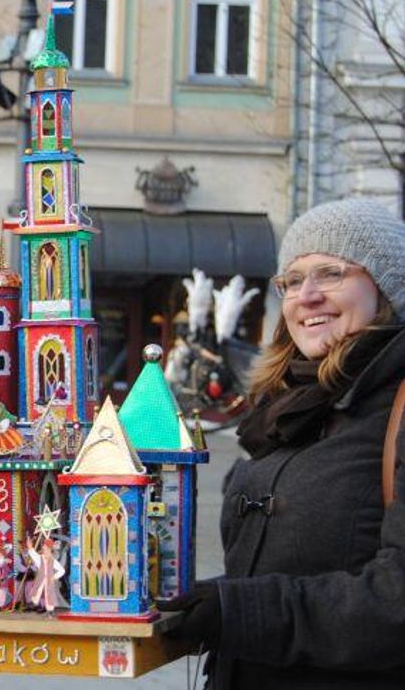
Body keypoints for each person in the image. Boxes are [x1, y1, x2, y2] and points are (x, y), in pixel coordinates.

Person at [161, 198, 405, 689]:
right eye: (292, 281)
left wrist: (239, 610)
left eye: (331, 273)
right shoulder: (285, 406)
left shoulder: (395, 408)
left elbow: (394, 601)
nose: (306, 296)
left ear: (387, 287)